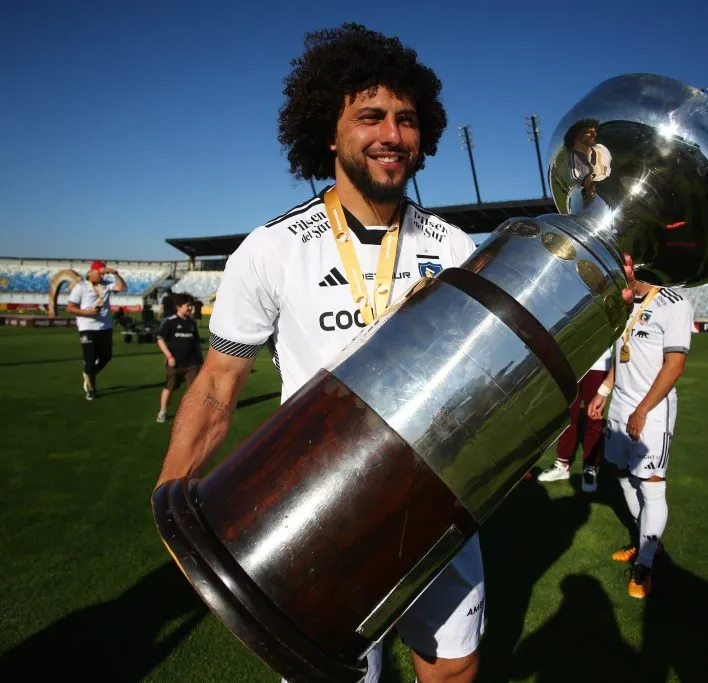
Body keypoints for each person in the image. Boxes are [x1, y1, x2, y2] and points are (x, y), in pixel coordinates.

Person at [153, 23, 488, 683]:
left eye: (406, 118)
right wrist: (172, 502)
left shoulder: (454, 248)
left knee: (452, 667)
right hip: (317, 508)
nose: (392, 134)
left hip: (437, 500)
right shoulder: (274, 247)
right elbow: (219, 383)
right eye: (370, 116)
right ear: (328, 133)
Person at [587, 276, 693, 599]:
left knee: (651, 482)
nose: (622, 270)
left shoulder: (674, 304)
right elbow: (624, 352)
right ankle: (649, 542)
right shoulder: (625, 301)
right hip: (620, 404)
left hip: (652, 408)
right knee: (620, 472)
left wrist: (643, 409)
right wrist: (604, 391)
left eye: (627, 265)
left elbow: (675, 366)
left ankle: (644, 565)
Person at [536, 348, 612, 492]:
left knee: (594, 417)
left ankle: (590, 467)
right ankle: (562, 464)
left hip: (599, 364)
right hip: (572, 362)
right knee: (569, 414)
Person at [67, 261, 126, 399]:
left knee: (106, 357)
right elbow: (70, 307)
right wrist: (87, 313)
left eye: (104, 273)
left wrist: (115, 273)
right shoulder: (80, 287)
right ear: (92, 272)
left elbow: (122, 287)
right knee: (90, 359)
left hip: (105, 327)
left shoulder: (106, 285)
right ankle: (92, 388)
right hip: (87, 327)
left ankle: (88, 373)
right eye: (100, 273)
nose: (102, 276)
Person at [155, 293, 203, 423]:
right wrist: (169, 356)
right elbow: (160, 339)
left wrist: (200, 359)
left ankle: (192, 414)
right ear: (178, 306)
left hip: (192, 363)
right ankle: (163, 411)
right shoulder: (170, 322)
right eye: (188, 306)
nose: (190, 308)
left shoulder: (192, 323)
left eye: (191, 306)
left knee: (194, 389)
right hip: (175, 363)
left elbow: (196, 342)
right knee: (169, 387)